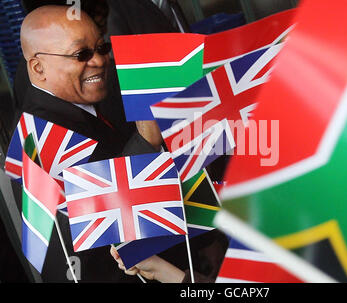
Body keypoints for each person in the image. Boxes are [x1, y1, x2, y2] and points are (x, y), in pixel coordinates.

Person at [17, 4, 228, 283]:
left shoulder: (90, 95)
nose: (99, 61)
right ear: (38, 67)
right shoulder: (41, 136)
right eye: (82, 54)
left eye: (102, 48)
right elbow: (99, 229)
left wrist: (205, 241)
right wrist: (145, 140)